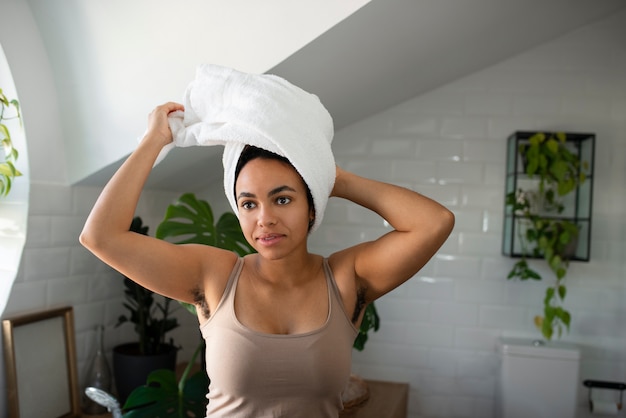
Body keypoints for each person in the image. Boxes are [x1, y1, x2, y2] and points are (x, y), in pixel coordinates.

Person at [80, 101, 455, 417]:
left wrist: (331, 178)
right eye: (249, 203)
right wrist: (154, 140)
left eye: (283, 198)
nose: (265, 219)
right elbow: (101, 236)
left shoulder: (346, 278)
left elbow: (434, 223)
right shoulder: (215, 275)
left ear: (312, 207)